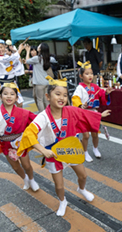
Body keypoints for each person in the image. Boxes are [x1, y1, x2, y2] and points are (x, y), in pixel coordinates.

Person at [17, 77, 111, 216]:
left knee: (83, 175)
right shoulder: (43, 117)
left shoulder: (70, 110)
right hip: (53, 153)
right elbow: (29, 134)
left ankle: (81, 189)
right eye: (58, 94)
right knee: (59, 185)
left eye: (65, 95)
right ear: (48, 96)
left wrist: (99, 115)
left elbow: (85, 115)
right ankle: (62, 201)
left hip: (70, 149)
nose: (62, 98)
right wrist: (43, 150)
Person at [72, 61, 112, 162]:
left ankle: (95, 148)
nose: (90, 76)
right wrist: (81, 105)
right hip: (83, 113)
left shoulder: (95, 87)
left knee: (95, 134)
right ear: (81, 76)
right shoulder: (80, 88)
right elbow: (75, 98)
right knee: (86, 135)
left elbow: (101, 95)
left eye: (91, 73)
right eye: (87, 74)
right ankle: (85, 152)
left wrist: (106, 93)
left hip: (93, 112)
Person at [0, 39, 25, 107]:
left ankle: (18, 117)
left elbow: (16, 61)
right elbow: (11, 58)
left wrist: (16, 51)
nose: (0, 49)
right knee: (7, 104)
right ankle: (8, 117)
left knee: (19, 102)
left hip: (12, 82)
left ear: (5, 47)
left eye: (1, 47)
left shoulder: (7, 56)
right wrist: (19, 50)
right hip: (3, 83)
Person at [25, 43, 55, 112]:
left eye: (39, 46)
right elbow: (53, 59)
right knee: (45, 99)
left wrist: (27, 51)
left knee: (40, 100)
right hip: (47, 82)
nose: (38, 46)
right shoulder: (48, 58)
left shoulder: (37, 58)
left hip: (39, 83)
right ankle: (48, 113)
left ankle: (42, 114)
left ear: (40, 49)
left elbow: (27, 61)